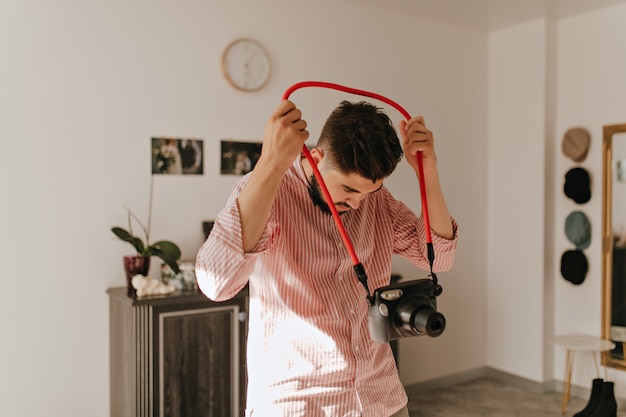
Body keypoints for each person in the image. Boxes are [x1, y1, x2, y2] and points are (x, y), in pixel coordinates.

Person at [196, 99, 458, 417]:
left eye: (368, 192)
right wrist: (270, 163)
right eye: (348, 190)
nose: (359, 203)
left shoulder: (377, 201)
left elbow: (438, 259)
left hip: (381, 398)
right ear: (317, 158)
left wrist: (427, 172)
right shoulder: (267, 191)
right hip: (300, 403)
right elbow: (216, 283)